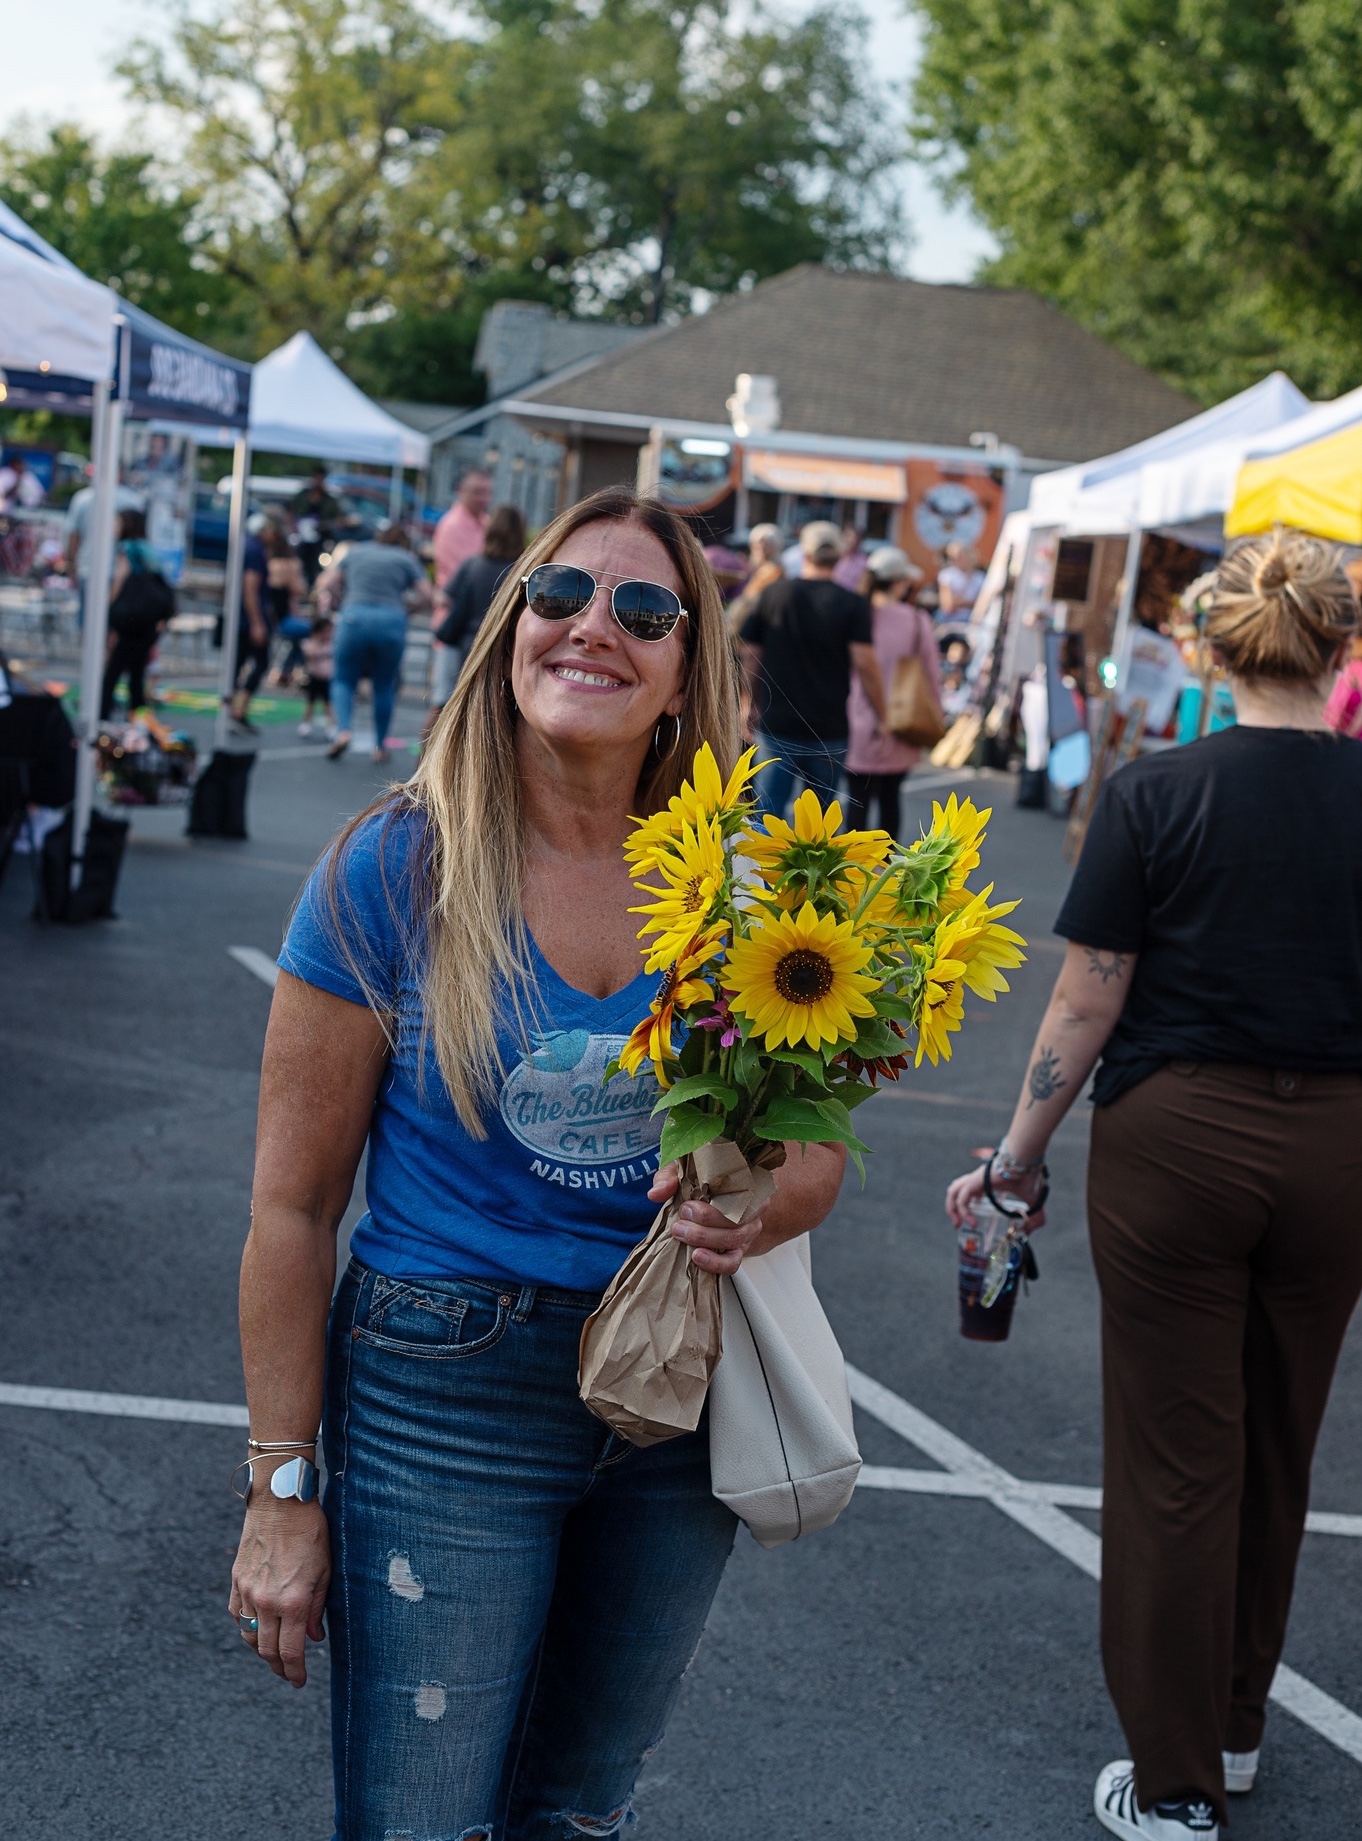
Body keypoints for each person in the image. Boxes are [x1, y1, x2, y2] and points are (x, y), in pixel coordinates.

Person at [227, 484, 845, 1839]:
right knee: (424, 1824)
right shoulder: (392, 865)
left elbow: (811, 1164)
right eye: (557, 596)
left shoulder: (745, 892)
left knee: (574, 1817)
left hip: (674, 1397)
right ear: (509, 627)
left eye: (641, 611)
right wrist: (281, 1492)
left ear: (685, 672)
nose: (589, 630)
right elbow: (288, 1207)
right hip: (440, 1389)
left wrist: (758, 1203)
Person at [945, 527, 1362, 1841]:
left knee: (1177, 1458)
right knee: (1278, 1440)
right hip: (1341, 1143)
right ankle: (1232, 1726)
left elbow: (1089, 991)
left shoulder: (1148, 789)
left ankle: (1173, 1782)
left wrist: (1012, 1160)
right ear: (1340, 647)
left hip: (1176, 1139)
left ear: (1202, 646)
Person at [739, 518, 887, 815]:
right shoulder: (852, 604)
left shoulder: (774, 594)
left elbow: (751, 656)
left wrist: (746, 703)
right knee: (818, 829)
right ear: (840, 557)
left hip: (776, 723)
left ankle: (755, 865)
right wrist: (882, 715)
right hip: (828, 728)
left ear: (804, 554)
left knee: (765, 819)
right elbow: (865, 664)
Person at [843, 545, 935, 839]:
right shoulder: (917, 620)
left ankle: (852, 872)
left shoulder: (857, 615)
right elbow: (931, 672)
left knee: (857, 799)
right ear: (899, 581)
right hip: (902, 717)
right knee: (891, 799)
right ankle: (886, 873)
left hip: (855, 717)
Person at [324, 523, 433, 763]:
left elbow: (329, 583)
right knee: (384, 684)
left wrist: (342, 601)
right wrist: (410, 609)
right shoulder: (406, 559)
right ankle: (380, 746)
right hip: (391, 623)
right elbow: (427, 595)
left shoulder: (357, 551)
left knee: (343, 679)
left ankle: (343, 730)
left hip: (354, 618)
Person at [430, 503, 526, 705]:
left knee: (458, 705)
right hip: (507, 649)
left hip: (469, 645)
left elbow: (444, 597)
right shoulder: (523, 570)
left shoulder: (473, 564)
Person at [100, 510, 174, 719]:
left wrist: (107, 607)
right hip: (148, 620)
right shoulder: (147, 548)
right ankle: (137, 718)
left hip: (130, 618)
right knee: (136, 673)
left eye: (117, 523)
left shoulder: (127, 548)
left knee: (113, 672)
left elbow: (119, 579)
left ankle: (102, 715)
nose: (114, 527)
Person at [430, 468, 493, 711]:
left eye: (487, 492)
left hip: (469, 621)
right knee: (444, 700)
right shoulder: (452, 526)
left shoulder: (484, 523)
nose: (484, 498)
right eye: (477, 492)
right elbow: (468, 575)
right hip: (455, 621)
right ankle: (431, 749)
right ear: (461, 492)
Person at [64, 472, 144, 626]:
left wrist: (71, 565)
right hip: (112, 570)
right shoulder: (132, 500)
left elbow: (74, 536)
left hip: (95, 569)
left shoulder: (84, 499)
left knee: (93, 621)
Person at [228, 524, 271, 733]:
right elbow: (250, 588)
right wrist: (257, 622)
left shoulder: (249, 546)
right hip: (246, 620)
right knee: (254, 663)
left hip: (241, 618)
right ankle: (237, 710)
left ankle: (236, 710)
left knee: (238, 665)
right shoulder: (254, 550)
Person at [264, 525, 309, 684]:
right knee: (310, 631)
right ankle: (292, 669)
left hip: (269, 617)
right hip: (280, 620)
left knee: (298, 636)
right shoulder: (289, 565)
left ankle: (286, 670)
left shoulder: (267, 563)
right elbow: (299, 589)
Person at [726, 523, 785, 635]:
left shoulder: (775, 571)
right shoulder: (755, 569)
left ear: (774, 547)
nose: (761, 549)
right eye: (758, 545)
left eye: (766, 545)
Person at [290, 467, 344, 585]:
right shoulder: (303, 496)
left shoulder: (329, 500)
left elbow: (337, 519)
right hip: (302, 538)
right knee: (300, 563)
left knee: (318, 564)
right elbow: (292, 512)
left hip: (321, 538)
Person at [298, 614, 335, 739]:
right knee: (310, 702)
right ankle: (305, 724)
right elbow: (310, 655)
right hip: (314, 677)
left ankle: (331, 726)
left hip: (327, 678)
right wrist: (317, 641)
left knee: (328, 703)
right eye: (325, 631)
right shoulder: (310, 643)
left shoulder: (331, 644)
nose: (328, 635)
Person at [936, 541, 984, 617]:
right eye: (952, 558)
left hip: (973, 619)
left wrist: (958, 601)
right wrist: (973, 603)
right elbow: (947, 605)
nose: (954, 560)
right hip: (950, 619)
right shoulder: (946, 574)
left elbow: (984, 603)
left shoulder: (980, 577)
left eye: (959, 556)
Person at [831, 522, 865, 591]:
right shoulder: (833, 557)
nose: (852, 540)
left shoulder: (864, 562)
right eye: (849, 536)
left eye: (855, 538)